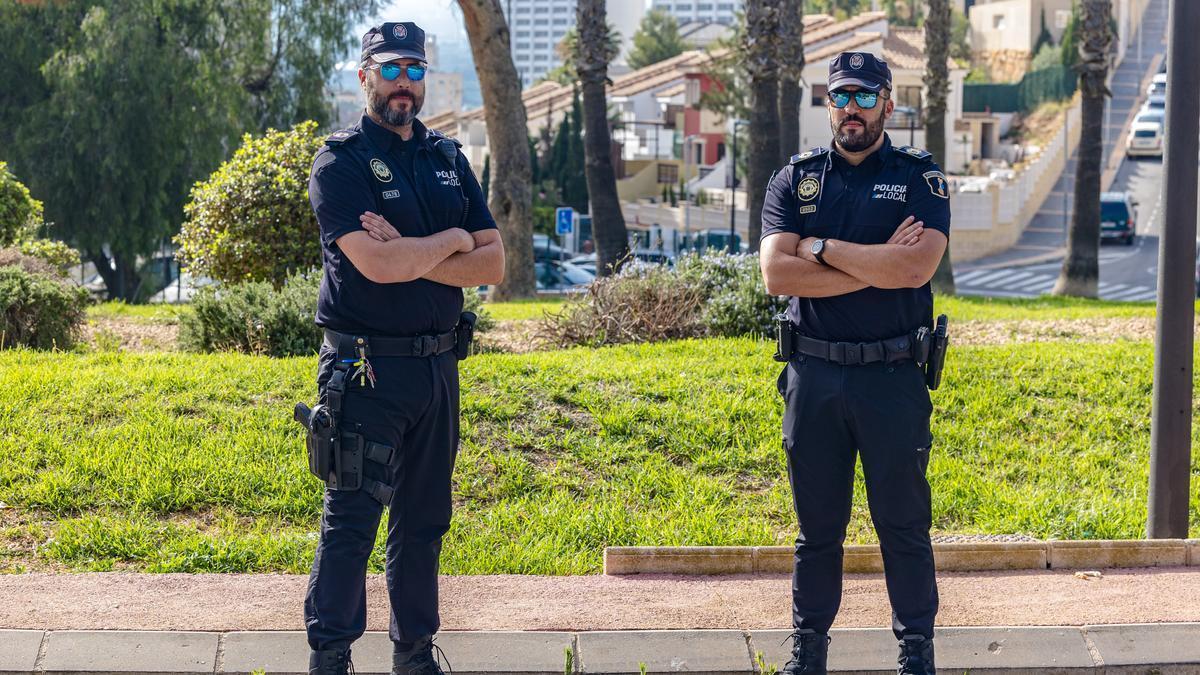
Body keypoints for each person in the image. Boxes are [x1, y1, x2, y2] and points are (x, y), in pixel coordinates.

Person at [303, 21, 504, 675]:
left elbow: (494, 262)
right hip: (365, 369)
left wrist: (420, 247)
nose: (404, 85)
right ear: (364, 76)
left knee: (423, 522)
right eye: (391, 71)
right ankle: (330, 654)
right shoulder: (341, 162)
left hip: (438, 366)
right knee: (352, 522)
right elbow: (374, 266)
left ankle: (413, 654)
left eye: (415, 72)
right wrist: (453, 241)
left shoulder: (448, 159)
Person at [758, 51, 950, 675]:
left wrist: (820, 251)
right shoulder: (795, 179)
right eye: (841, 97)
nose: (852, 109)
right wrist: (872, 267)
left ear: (889, 106)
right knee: (817, 531)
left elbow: (916, 268)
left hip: (893, 376)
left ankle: (915, 652)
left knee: (902, 524)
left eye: (866, 98)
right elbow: (775, 274)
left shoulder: (919, 179)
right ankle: (807, 651)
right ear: (829, 105)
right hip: (813, 377)